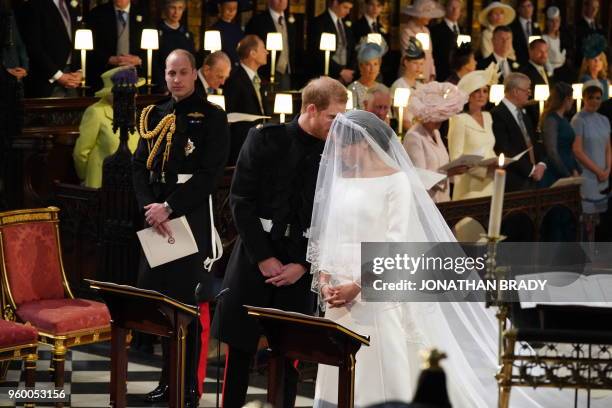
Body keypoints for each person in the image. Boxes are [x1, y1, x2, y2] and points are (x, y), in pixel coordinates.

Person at [306, 111, 612, 408]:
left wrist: (358, 285)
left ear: (365, 143)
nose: (339, 151)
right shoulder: (342, 180)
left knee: (380, 361)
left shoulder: (396, 181)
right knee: (337, 363)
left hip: (374, 285)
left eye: (345, 143)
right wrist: (324, 278)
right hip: (337, 290)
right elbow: (328, 232)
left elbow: (394, 241)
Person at [210, 76, 348, 408]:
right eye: (333, 118)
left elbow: (332, 216)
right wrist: (263, 257)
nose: (339, 126)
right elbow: (240, 201)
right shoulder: (264, 139)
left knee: (289, 353)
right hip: (255, 256)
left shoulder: (336, 155)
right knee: (241, 348)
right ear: (312, 109)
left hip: (298, 263)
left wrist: (302, 264)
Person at [132, 49, 230, 407]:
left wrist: (169, 207)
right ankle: (165, 379)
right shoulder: (153, 114)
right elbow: (138, 167)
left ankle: (188, 384)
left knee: (187, 305)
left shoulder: (213, 117)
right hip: (155, 217)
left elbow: (210, 175)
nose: (176, 79)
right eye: (171, 73)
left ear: (194, 75)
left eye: (183, 73)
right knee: (161, 305)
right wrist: (151, 208)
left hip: (187, 215)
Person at [73, 66, 142, 188]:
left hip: (128, 185)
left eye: (134, 91)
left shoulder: (131, 111)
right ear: (111, 93)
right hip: (101, 183)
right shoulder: (95, 112)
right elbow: (81, 152)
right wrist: (85, 176)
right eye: (128, 91)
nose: (135, 96)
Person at [403, 81, 468, 202]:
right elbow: (419, 179)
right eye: (436, 117)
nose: (440, 121)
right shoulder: (414, 136)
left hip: (443, 200)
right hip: (427, 204)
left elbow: (441, 164)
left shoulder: (436, 133)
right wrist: (448, 173)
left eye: (442, 116)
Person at [448, 64, 499, 200]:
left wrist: (498, 163)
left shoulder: (488, 117)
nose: (482, 95)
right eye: (477, 91)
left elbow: (489, 148)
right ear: (469, 95)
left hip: (490, 183)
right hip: (469, 187)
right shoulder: (459, 120)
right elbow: (456, 159)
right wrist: (483, 170)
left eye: (485, 91)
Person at [538, 82, 580, 241]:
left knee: (568, 216)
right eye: (571, 99)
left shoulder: (563, 118)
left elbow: (569, 148)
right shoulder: (551, 119)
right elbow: (552, 151)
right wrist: (567, 174)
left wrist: (575, 169)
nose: (572, 102)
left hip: (567, 170)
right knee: (557, 217)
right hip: (555, 174)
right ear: (566, 99)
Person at [492, 72, 546, 192]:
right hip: (514, 180)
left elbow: (533, 142)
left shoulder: (523, 113)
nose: (529, 93)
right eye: (527, 90)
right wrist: (531, 170)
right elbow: (504, 149)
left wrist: (541, 164)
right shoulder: (497, 114)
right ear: (515, 91)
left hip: (532, 178)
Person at [571, 80, 611, 241]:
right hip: (588, 175)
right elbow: (577, 150)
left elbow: (608, 147)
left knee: (600, 220)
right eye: (591, 97)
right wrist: (598, 171)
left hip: (603, 176)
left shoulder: (604, 119)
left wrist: (608, 169)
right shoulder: (578, 120)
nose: (595, 101)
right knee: (586, 220)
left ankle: (597, 255)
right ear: (584, 98)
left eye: (598, 98)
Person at [16, 0, 81, 97]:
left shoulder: (72, 4)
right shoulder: (33, 5)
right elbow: (33, 47)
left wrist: (79, 71)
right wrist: (59, 76)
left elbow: (77, 39)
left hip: (72, 76)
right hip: (46, 79)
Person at [224, 34, 268, 164]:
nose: (266, 51)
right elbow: (230, 114)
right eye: (263, 48)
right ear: (253, 53)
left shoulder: (257, 78)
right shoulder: (234, 79)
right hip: (243, 144)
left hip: (259, 139)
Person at [86, 0, 148, 92]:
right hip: (103, 77)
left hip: (136, 77)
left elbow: (153, 46)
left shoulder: (143, 13)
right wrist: (109, 59)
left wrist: (139, 59)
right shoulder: (97, 13)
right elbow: (89, 45)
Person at [245, 0, 296, 90]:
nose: (281, 1)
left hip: (289, 72)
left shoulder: (292, 20)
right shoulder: (257, 21)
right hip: (265, 73)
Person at [308, 0, 355, 85]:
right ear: (335, 3)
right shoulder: (319, 22)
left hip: (345, 77)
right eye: (345, 7)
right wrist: (340, 71)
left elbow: (351, 48)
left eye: (349, 8)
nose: (348, 12)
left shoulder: (345, 25)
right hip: (325, 74)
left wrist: (348, 71)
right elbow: (317, 53)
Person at [154, 0, 195, 92]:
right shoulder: (157, 32)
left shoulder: (187, 34)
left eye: (180, 8)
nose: (176, 12)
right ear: (166, 8)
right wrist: (163, 85)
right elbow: (154, 62)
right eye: (173, 7)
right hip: (163, 85)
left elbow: (192, 61)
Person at [399, 0, 444, 82]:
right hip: (411, 77)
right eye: (427, 14)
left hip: (427, 76)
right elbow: (408, 56)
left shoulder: (426, 31)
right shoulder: (407, 31)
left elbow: (430, 55)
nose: (430, 17)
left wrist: (432, 74)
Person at [390, 37, 425, 131]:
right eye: (415, 63)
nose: (419, 67)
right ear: (406, 62)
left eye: (421, 64)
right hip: (406, 131)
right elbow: (403, 119)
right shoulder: (399, 85)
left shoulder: (422, 86)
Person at [430, 0, 464, 82]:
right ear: (445, 9)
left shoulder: (462, 29)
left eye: (457, 7)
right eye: (451, 7)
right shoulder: (436, 30)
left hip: (460, 77)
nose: (454, 10)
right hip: (443, 76)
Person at [520, 39, 550, 126]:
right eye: (540, 51)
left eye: (545, 51)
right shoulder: (525, 73)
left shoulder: (546, 70)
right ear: (530, 51)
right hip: (534, 121)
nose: (544, 55)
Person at [348, 42, 385, 110]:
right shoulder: (352, 89)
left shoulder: (383, 89)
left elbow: (387, 117)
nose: (372, 68)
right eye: (368, 64)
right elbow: (351, 117)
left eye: (375, 64)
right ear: (361, 66)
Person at [542, 6, 574, 84]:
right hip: (552, 71)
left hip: (563, 70)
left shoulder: (563, 37)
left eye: (557, 21)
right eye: (552, 21)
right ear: (547, 22)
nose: (554, 24)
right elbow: (545, 59)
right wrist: (551, 72)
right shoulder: (544, 38)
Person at [210, 0, 244, 67]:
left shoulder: (238, 29)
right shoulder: (215, 30)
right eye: (228, 8)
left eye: (234, 8)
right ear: (220, 7)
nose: (231, 11)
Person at [575, 0, 605, 71]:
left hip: (597, 64)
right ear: (586, 7)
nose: (594, 10)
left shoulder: (599, 27)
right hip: (583, 64)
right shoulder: (579, 25)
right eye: (592, 7)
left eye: (596, 7)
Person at [509, 0, 541, 66]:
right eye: (523, 7)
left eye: (529, 6)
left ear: (533, 8)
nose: (527, 9)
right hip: (519, 63)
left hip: (535, 64)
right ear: (518, 9)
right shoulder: (512, 27)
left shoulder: (536, 26)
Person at [579, 34, 609, 101]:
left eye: (600, 59)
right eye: (594, 58)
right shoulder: (585, 79)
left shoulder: (604, 82)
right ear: (587, 62)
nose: (597, 62)